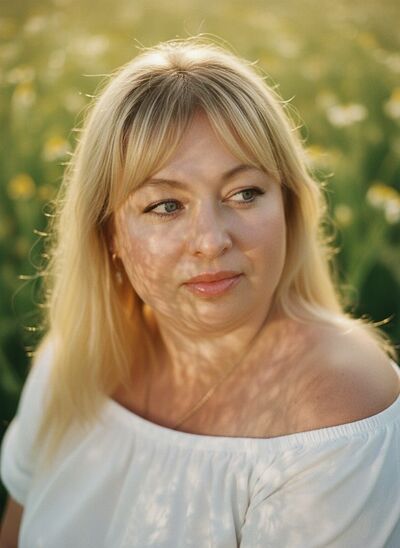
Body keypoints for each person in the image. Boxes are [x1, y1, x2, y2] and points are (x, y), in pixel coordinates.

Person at [1, 36, 399, 548]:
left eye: (244, 193)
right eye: (166, 205)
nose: (211, 241)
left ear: (288, 206)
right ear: (108, 234)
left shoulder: (333, 404)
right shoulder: (73, 359)